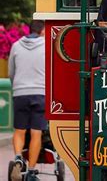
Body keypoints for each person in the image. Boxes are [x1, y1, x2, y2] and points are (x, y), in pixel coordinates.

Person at [8, 20, 46, 181]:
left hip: (20, 93)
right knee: (36, 133)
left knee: (19, 130)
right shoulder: (46, 45)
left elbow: (11, 72)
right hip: (40, 92)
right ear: (43, 31)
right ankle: (31, 171)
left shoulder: (16, 45)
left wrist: (18, 86)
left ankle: (18, 158)